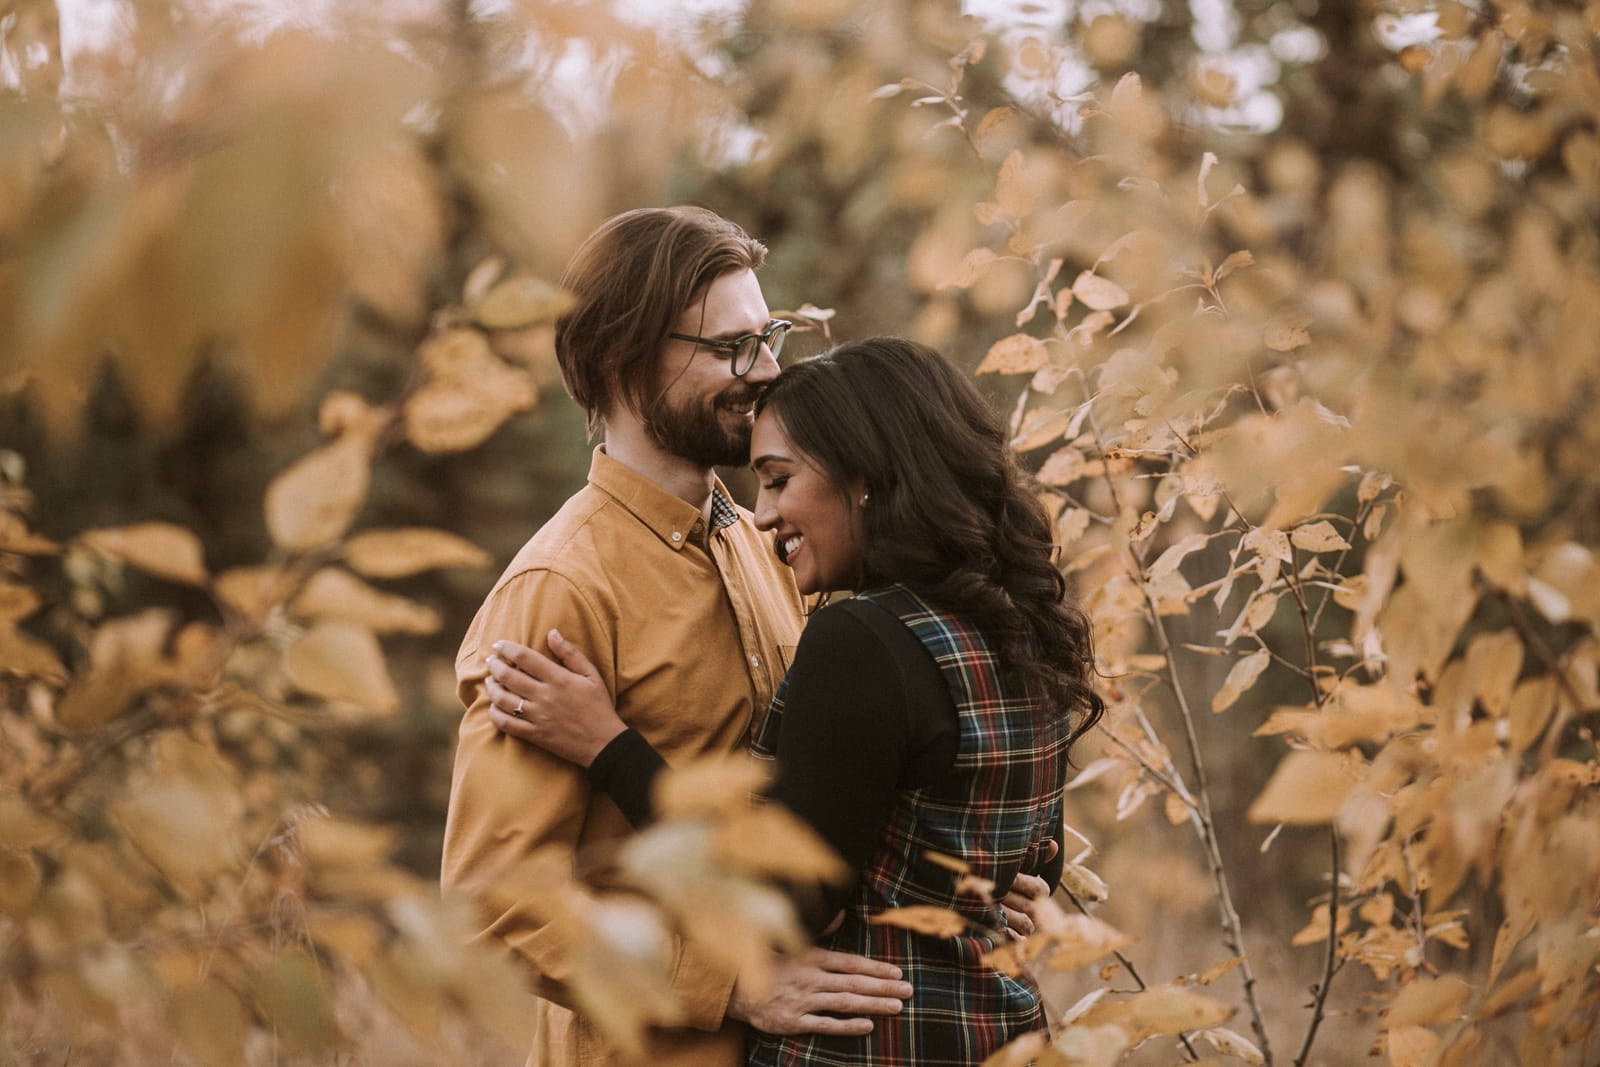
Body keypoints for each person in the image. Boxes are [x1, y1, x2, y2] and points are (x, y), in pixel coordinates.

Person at [485, 337, 1105, 1065]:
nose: (762, 513)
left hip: (872, 1044)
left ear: (865, 477)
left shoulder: (862, 640)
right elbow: (1040, 862)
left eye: (779, 480)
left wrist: (607, 746)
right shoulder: (1020, 626)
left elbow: (782, 898)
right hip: (1003, 1036)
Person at [440, 207, 914, 1067]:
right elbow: (494, 905)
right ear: (622, 360)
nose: (767, 370)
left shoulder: (769, 543)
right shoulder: (560, 589)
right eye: (731, 347)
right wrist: (728, 984)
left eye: (767, 337)